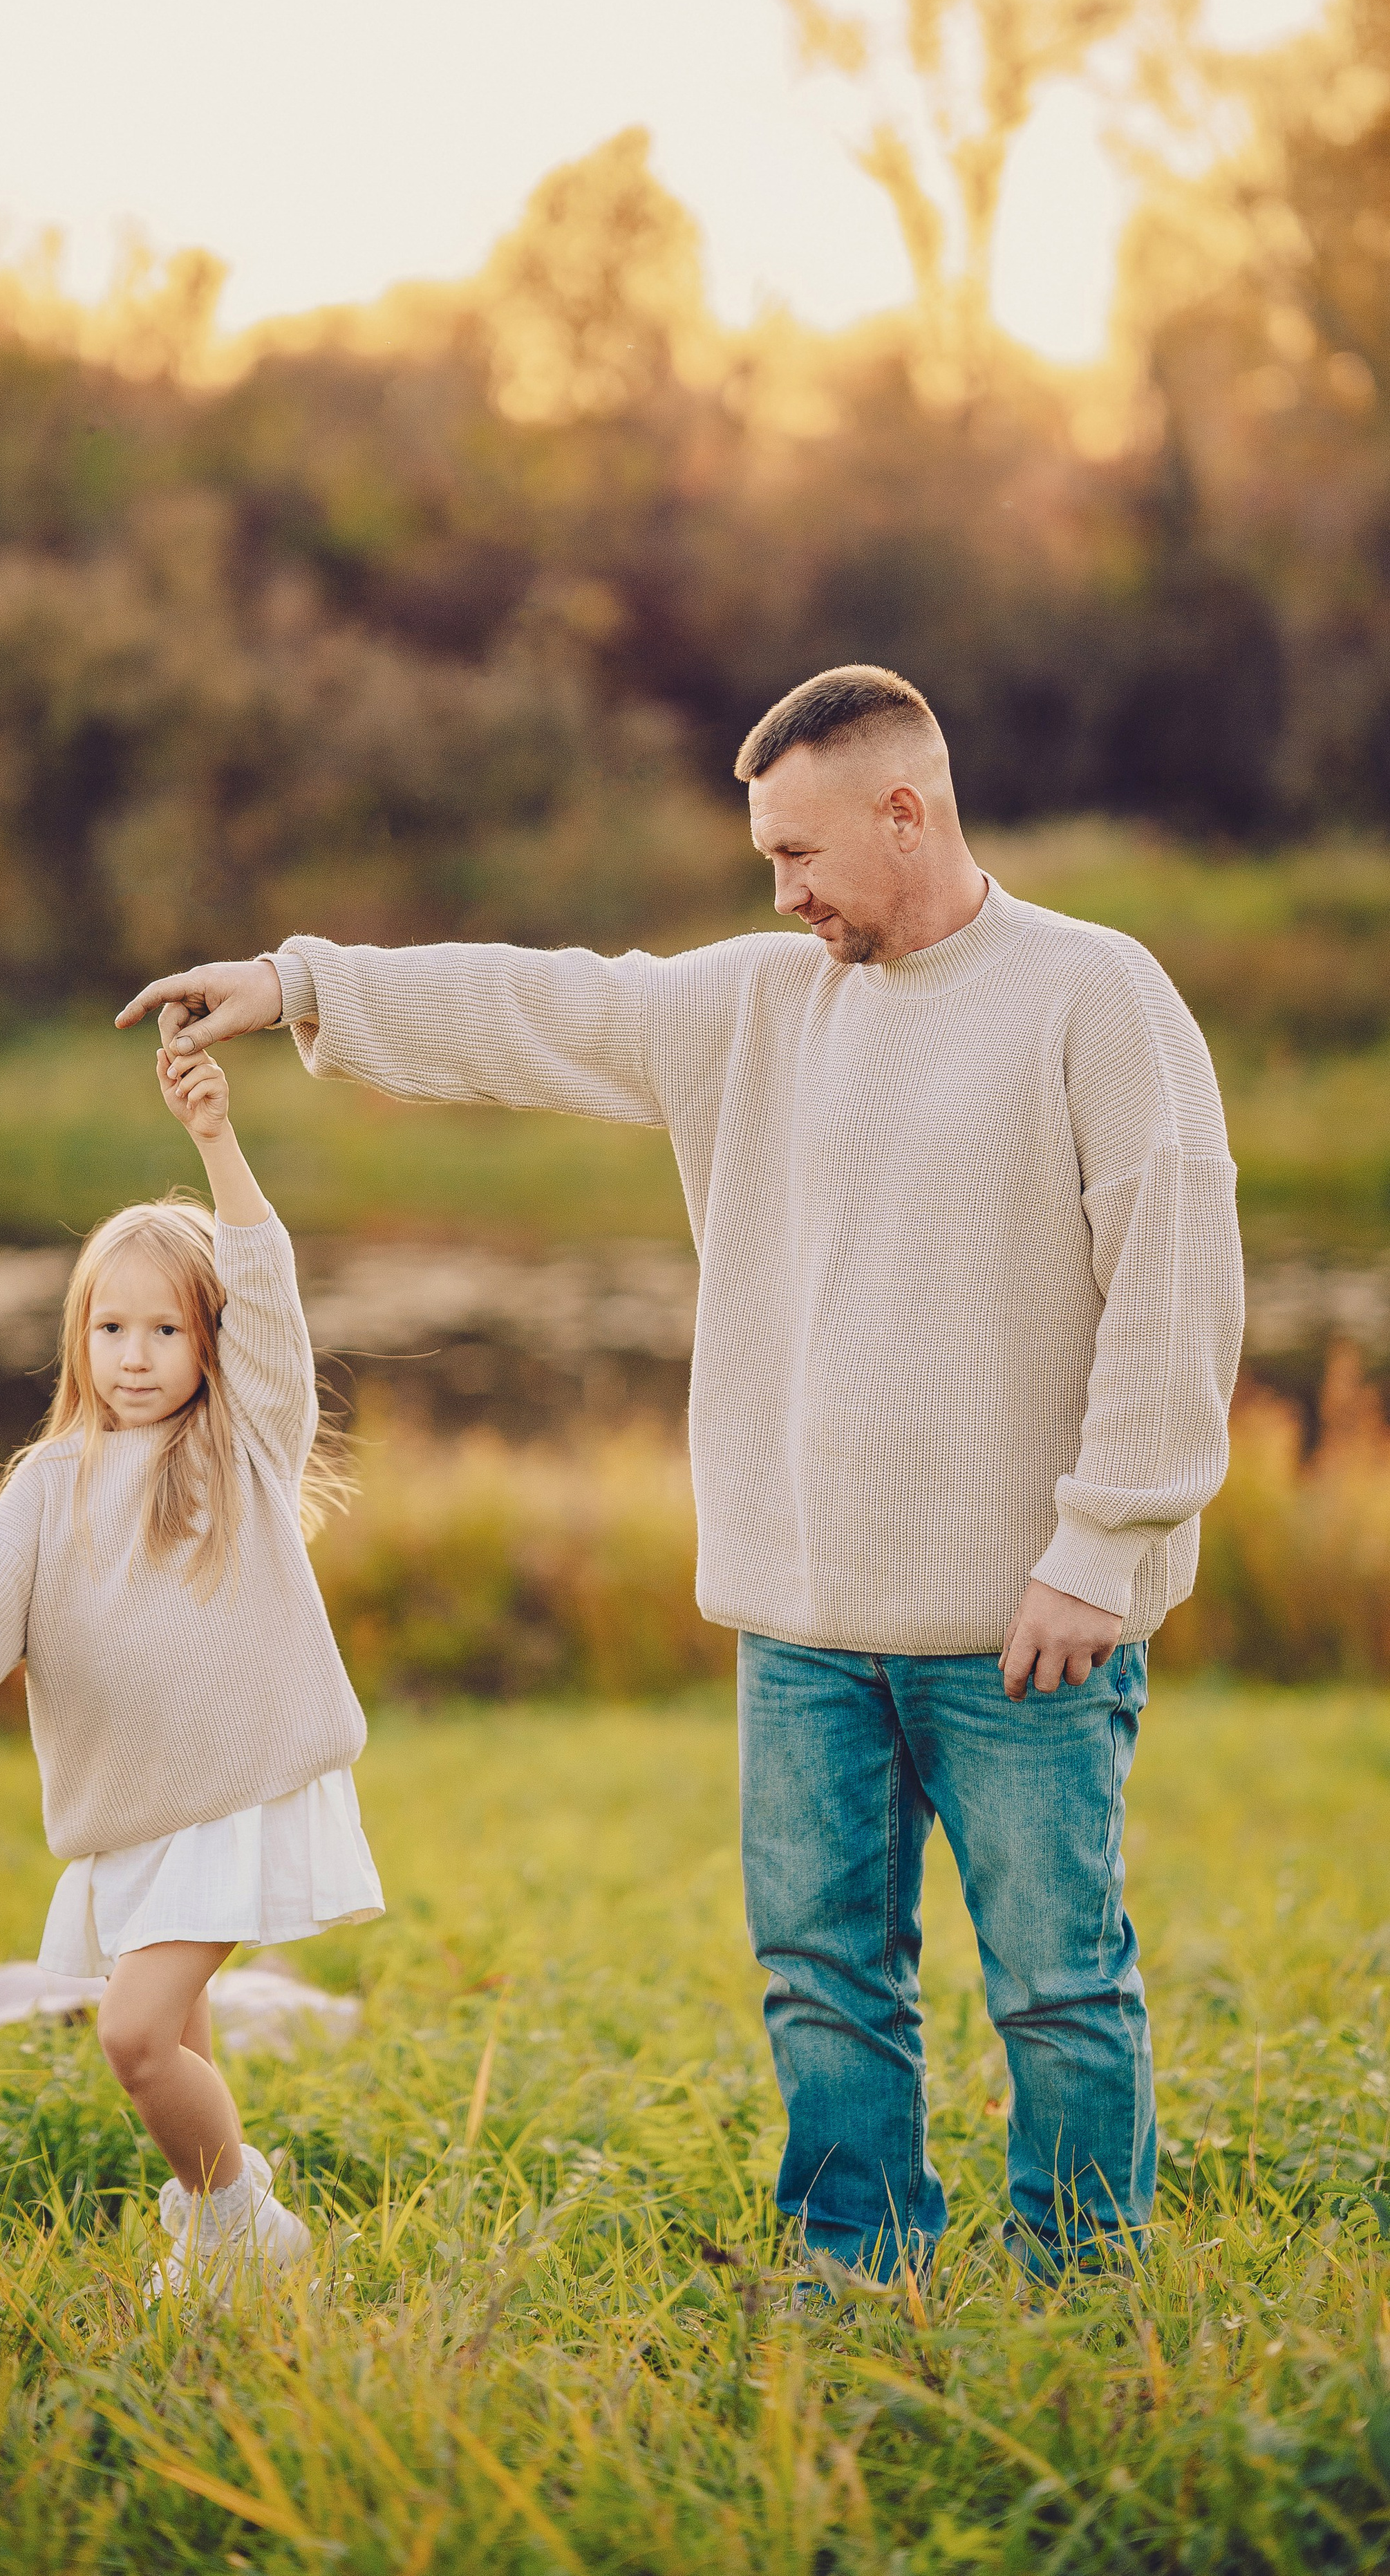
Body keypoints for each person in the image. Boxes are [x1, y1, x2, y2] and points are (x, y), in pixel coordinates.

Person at [116, 661, 1245, 2288]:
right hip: (801, 1623)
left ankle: (1082, 2282)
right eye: (764, 859)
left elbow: (1173, 1288)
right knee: (818, 1973)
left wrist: (1098, 1544)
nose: (779, 893)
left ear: (903, 811)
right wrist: (300, 983)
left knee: (1056, 1980)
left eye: (797, 854)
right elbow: (543, 1006)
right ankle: (855, 2264)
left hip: (1027, 1621)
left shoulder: (1094, 993)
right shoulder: (753, 1006)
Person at [0, 1040, 382, 2306]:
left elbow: (269, 1293)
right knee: (171, 2036)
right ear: (80, 1340)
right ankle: (223, 2234)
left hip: (236, 1793)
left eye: (166, 1328)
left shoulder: (243, 1447)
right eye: (110, 1327)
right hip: (138, 1811)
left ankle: (236, 2218)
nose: (133, 1353)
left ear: (210, 1343)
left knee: (130, 2034)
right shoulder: (50, 1481)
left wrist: (217, 1141)